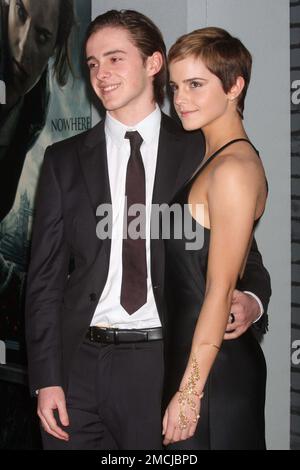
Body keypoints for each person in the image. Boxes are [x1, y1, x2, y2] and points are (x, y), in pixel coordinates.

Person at [25, 10, 271, 450]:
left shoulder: (199, 150)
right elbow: (42, 278)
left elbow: (245, 261)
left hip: (159, 365)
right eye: (93, 63)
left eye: (115, 58)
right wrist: (46, 378)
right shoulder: (63, 161)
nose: (101, 73)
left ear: (153, 64)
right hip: (77, 367)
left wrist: (251, 301)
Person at [162, 27, 268, 450]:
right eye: (175, 86)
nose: (180, 99)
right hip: (196, 360)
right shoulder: (209, 157)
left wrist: (190, 395)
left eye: (195, 84)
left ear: (234, 86)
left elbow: (220, 289)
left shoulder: (234, 170)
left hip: (214, 373)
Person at [0, 0, 75, 222]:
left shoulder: (35, 106)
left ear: (54, 48)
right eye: (21, 13)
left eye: (42, 37)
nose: (23, 46)